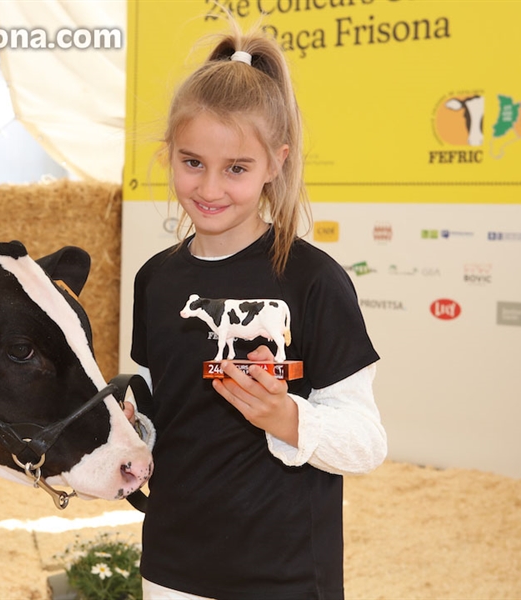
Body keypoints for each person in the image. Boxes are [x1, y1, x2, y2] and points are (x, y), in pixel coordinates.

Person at [125, 24, 387, 600]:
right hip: (172, 568)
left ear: (276, 164)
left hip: (286, 575)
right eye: (192, 162)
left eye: (237, 168)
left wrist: (285, 417)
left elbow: (367, 442)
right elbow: (153, 404)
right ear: (169, 154)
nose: (211, 187)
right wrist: (129, 427)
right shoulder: (154, 279)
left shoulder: (314, 280)